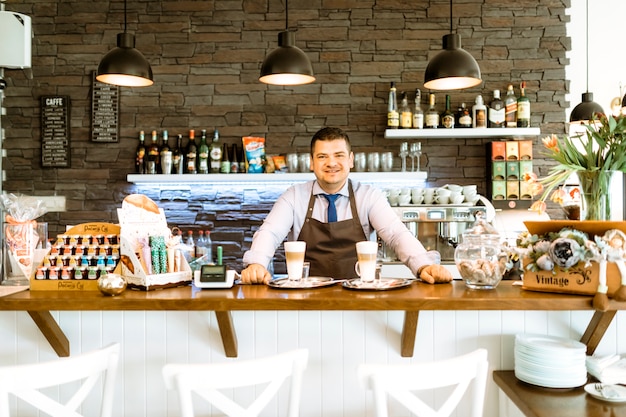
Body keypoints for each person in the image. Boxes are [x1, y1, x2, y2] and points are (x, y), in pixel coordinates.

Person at [240, 127, 452, 284]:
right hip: (304, 297)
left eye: (339, 155)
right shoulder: (294, 196)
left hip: (360, 296)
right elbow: (270, 232)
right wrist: (256, 263)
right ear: (312, 162)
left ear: (351, 160)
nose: (331, 163)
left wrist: (424, 265)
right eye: (322, 156)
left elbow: (396, 234)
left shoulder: (369, 195)